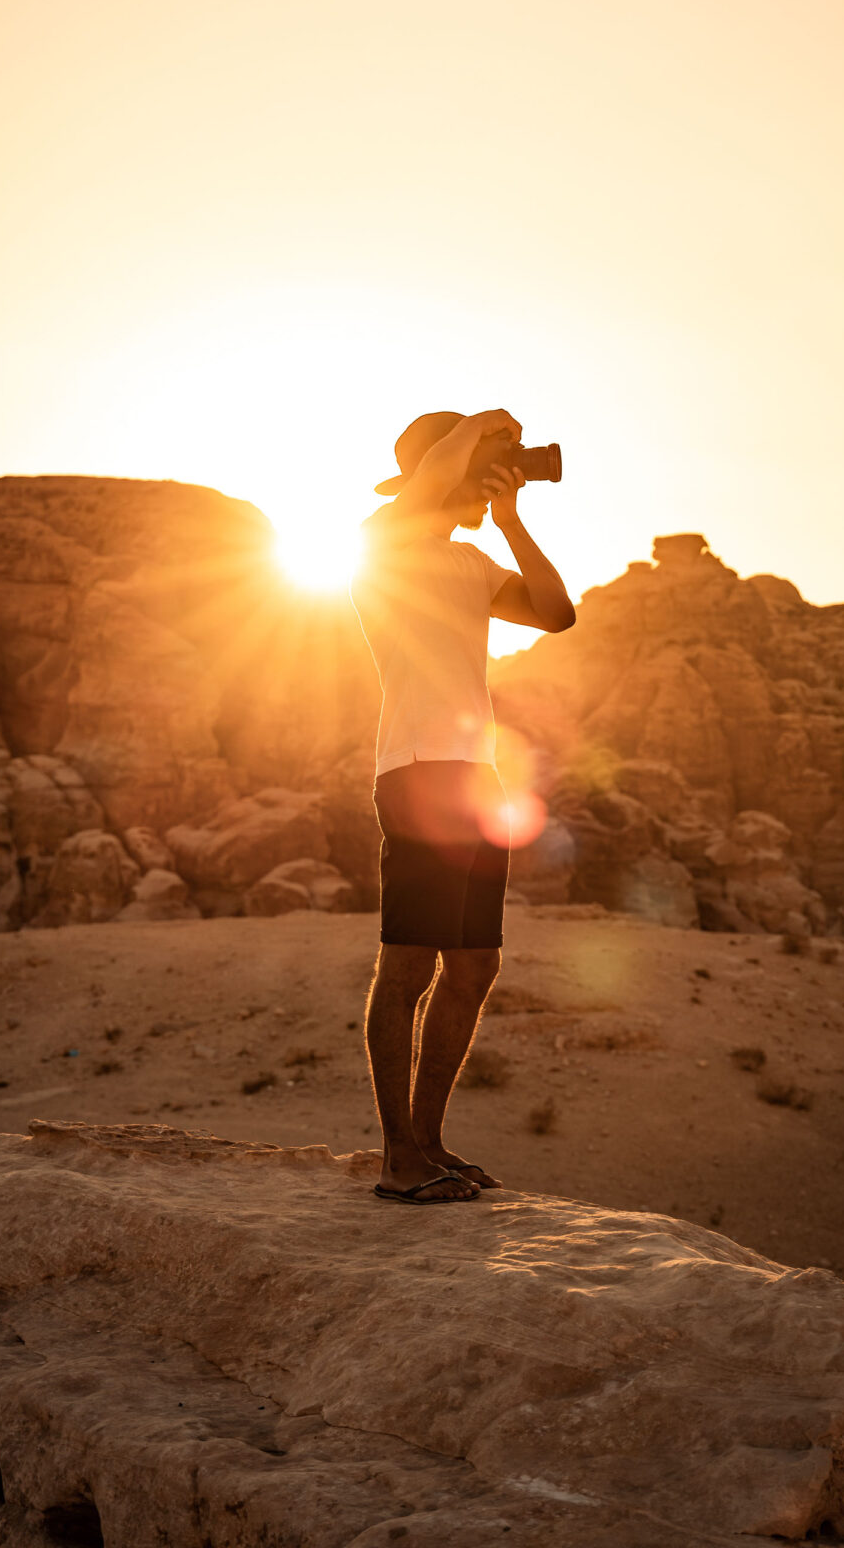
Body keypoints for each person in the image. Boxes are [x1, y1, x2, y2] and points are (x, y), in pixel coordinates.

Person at [348, 409, 577, 1205]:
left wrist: (511, 519)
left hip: (476, 775)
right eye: (482, 467)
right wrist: (481, 426)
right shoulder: (385, 542)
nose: (489, 477)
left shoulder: (471, 562)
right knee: (408, 966)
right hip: (417, 772)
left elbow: (557, 612)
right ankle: (397, 1157)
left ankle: (432, 1142)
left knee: (474, 965)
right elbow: (437, 475)